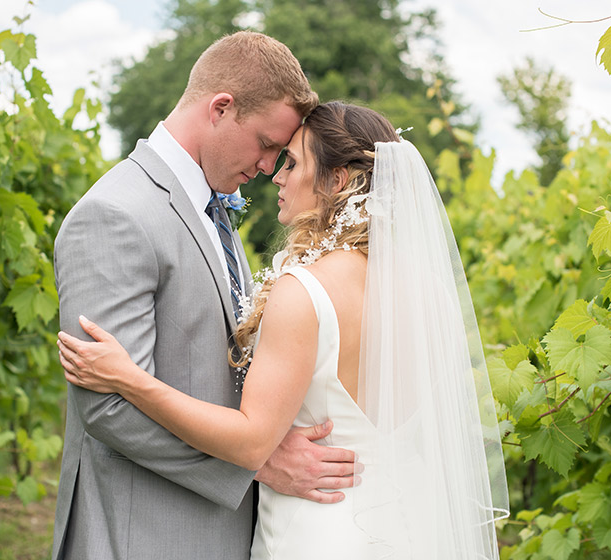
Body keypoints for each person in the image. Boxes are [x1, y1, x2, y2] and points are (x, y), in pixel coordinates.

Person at [58, 102, 510, 558]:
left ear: (337, 181)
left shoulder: (304, 291)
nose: (275, 175)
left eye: (292, 162)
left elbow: (254, 440)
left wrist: (130, 379)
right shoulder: (429, 290)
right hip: (407, 527)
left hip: (318, 527)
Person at [50, 32, 360, 560]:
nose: (268, 168)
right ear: (221, 108)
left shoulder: (215, 209)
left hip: (225, 532)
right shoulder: (114, 214)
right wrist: (255, 461)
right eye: (266, 144)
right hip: (145, 534)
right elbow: (106, 408)